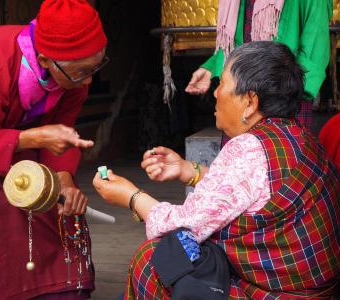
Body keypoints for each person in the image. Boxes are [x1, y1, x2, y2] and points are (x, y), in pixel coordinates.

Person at [93, 41, 340, 299]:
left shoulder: (248, 147)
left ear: (250, 102)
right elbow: (251, 192)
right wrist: (190, 170)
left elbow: (181, 226)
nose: (214, 93)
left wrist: (131, 197)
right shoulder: (298, 136)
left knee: (155, 259)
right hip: (317, 290)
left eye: (222, 83)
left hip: (277, 293)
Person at [0, 0, 107, 299]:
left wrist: (65, 182)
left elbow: (63, 135)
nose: (88, 80)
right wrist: (37, 138)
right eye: (82, 72)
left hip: (13, 142)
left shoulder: (72, 78)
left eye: (96, 66)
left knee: (52, 199)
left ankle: (61, 291)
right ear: (44, 61)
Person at [185, 0, 332, 145]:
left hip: (284, 102)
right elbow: (236, 42)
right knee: (236, 161)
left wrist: (279, 96)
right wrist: (212, 68)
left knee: (278, 161)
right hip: (242, 98)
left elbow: (315, 50)